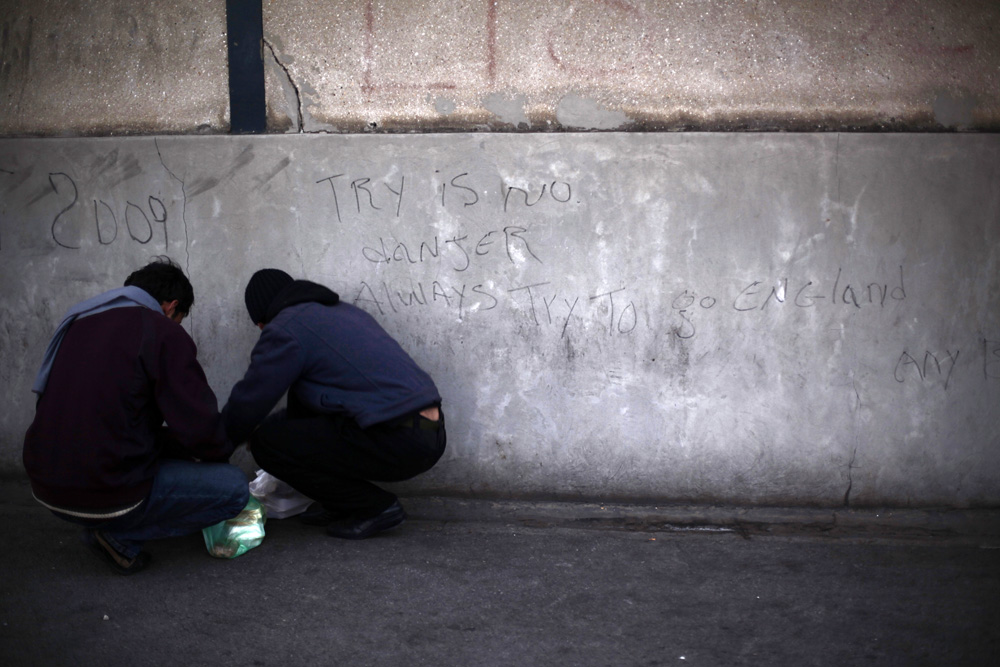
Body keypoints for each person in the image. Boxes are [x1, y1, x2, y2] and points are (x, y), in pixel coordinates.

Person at [22, 257, 248, 575]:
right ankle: (119, 533)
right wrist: (217, 450)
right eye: (180, 318)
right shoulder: (160, 331)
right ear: (171, 307)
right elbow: (201, 429)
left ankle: (110, 521)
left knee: (167, 447)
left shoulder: (77, 322)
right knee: (234, 488)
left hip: (46, 485)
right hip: (107, 490)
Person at [223, 268, 446, 539]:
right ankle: (342, 503)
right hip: (427, 431)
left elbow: (251, 398)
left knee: (266, 443)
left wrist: (216, 445)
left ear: (262, 319)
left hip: (400, 436)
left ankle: (376, 507)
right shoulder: (337, 313)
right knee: (289, 431)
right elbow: (303, 413)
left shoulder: (286, 328)